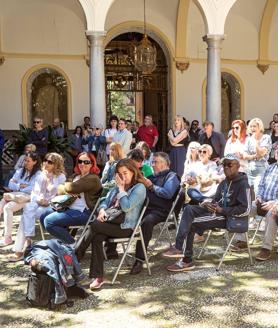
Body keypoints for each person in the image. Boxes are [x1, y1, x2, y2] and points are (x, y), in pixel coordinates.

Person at [162, 154, 250, 272]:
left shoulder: (243, 184)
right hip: (217, 212)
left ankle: (186, 259)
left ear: (238, 166)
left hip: (229, 218)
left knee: (191, 224)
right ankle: (179, 248)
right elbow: (217, 200)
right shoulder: (224, 182)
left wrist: (222, 210)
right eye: (224, 165)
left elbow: (245, 209)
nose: (226, 167)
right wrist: (208, 203)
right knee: (189, 208)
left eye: (230, 164)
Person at [75, 158, 147, 289]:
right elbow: (103, 201)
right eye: (119, 174)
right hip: (110, 223)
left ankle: (75, 257)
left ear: (133, 172)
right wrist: (102, 210)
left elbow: (126, 207)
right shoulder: (115, 188)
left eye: (125, 173)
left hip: (126, 227)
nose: (122, 176)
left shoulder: (139, 188)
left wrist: (121, 188)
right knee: (96, 236)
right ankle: (98, 277)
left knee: (95, 225)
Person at [130, 152, 181, 275]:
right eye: (152, 162)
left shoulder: (171, 176)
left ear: (165, 164)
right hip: (145, 209)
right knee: (124, 213)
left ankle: (139, 259)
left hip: (161, 210)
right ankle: (111, 249)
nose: (152, 164)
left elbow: (168, 193)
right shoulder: (152, 177)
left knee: (146, 222)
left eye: (155, 162)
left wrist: (151, 186)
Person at [10, 153, 66, 261]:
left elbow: (60, 194)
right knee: (28, 208)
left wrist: (48, 201)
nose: (46, 163)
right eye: (45, 160)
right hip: (38, 202)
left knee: (25, 217)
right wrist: (39, 199)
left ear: (56, 164)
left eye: (50, 162)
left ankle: (22, 248)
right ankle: (28, 240)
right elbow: (34, 193)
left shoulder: (60, 177)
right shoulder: (40, 175)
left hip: (52, 205)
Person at [40, 152, 102, 245]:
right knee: (43, 216)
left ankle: (72, 244)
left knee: (49, 221)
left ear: (92, 164)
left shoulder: (93, 178)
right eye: (80, 161)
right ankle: (65, 240)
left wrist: (69, 188)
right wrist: (68, 189)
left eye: (86, 162)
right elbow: (60, 188)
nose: (82, 164)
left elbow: (70, 188)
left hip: (84, 212)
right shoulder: (75, 176)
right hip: (69, 208)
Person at [234, 146, 278, 253]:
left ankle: (266, 248)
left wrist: (275, 203)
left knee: (271, 214)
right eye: (277, 150)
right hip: (262, 202)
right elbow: (262, 185)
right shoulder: (270, 167)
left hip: (275, 205)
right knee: (244, 208)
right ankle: (242, 241)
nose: (277, 151)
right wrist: (259, 197)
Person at [0, 152, 41, 247]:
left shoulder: (38, 174)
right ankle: (7, 236)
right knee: (2, 203)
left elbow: (33, 188)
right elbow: (10, 184)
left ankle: (7, 238)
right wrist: (21, 186)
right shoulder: (20, 170)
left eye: (28, 161)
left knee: (7, 207)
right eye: (25, 160)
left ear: (34, 162)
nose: (25, 162)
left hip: (28, 198)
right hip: (17, 195)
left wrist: (18, 186)